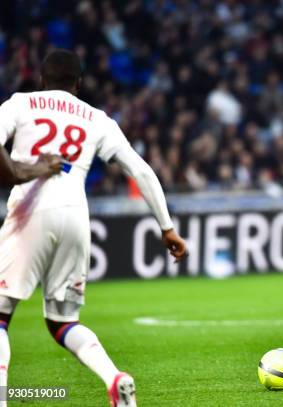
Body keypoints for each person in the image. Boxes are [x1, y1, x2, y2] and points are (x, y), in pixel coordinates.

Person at [0, 49, 188, 407]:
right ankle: (115, 379)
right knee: (62, 322)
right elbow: (141, 171)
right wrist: (167, 227)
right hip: (75, 215)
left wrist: (18, 171)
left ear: (42, 79)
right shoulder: (96, 118)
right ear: (79, 84)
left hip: (30, 210)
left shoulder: (20, 103)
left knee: (0, 314)